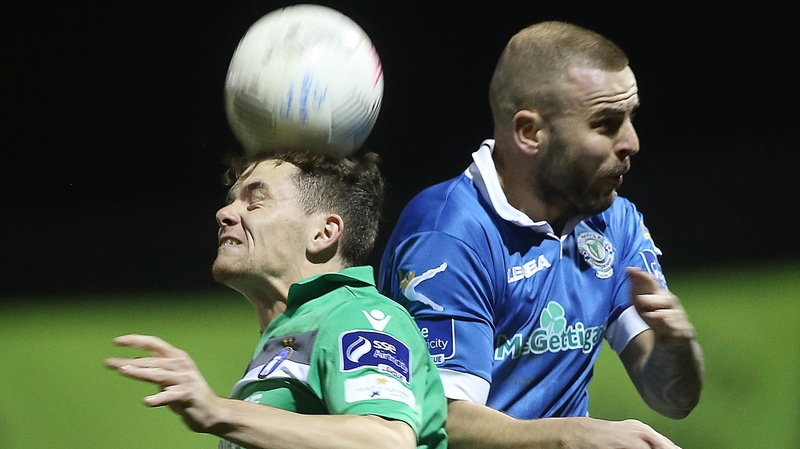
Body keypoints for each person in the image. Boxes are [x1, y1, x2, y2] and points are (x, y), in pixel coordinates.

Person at [378, 21, 704, 449]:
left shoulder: (613, 221)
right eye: (606, 123)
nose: (632, 142)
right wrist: (571, 436)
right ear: (529, 132)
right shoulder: (449, 234)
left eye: (631, 118)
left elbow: (671, 398)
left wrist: (677, 346)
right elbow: (438, 421)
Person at [106, 151, 448, 449]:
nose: (224, 214)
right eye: (231, 200)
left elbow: (384, 440)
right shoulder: (290, 335)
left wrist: (218, 411)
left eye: (254, 202)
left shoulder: (356, 315)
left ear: (323, 233)